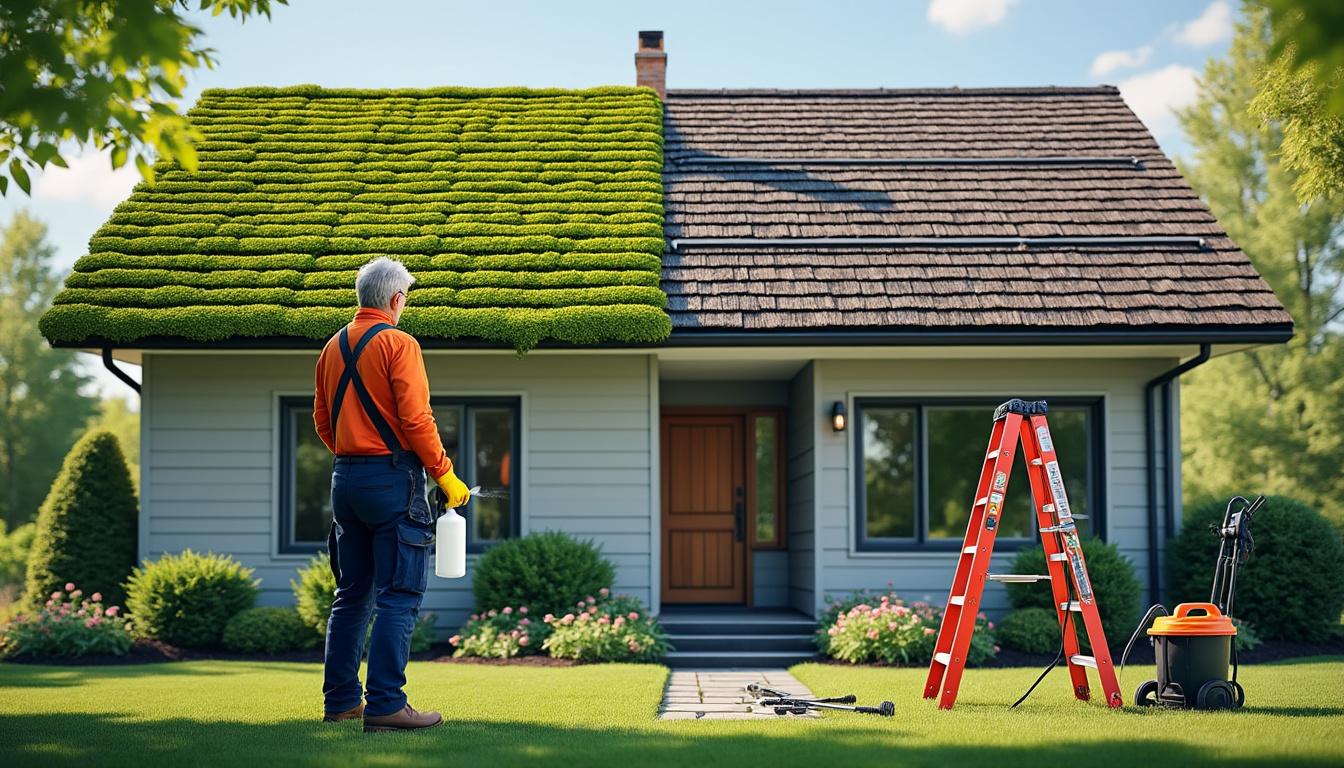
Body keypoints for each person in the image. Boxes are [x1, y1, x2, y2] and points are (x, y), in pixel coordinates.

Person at [312, 256, 470, 733]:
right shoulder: (400, 343)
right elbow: (417, 419)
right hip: (393, 481)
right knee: (399, 594)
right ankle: (385, 703)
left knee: (351, 594)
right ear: (396, 299)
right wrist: (444, 474)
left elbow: (322, 420)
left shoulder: (331, 348)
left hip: (345, 481)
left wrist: (352, 456)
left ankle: (341, 702)